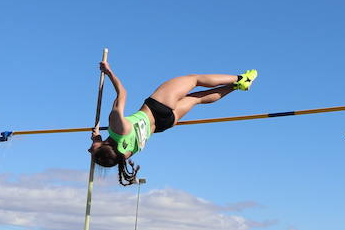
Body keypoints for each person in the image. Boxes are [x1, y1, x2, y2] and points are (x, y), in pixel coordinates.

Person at [88, 61, 256, 185]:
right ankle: (241, 78)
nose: (89, 150)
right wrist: (109, 72)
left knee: (196, 99)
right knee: (194, 80)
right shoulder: (118, 128)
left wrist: (97, 140)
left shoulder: (124, 155)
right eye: (92, 152)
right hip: (157, 106)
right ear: (104, 147)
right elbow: (122, 93)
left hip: (164, 124)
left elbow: (111, 153)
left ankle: (236, 87)